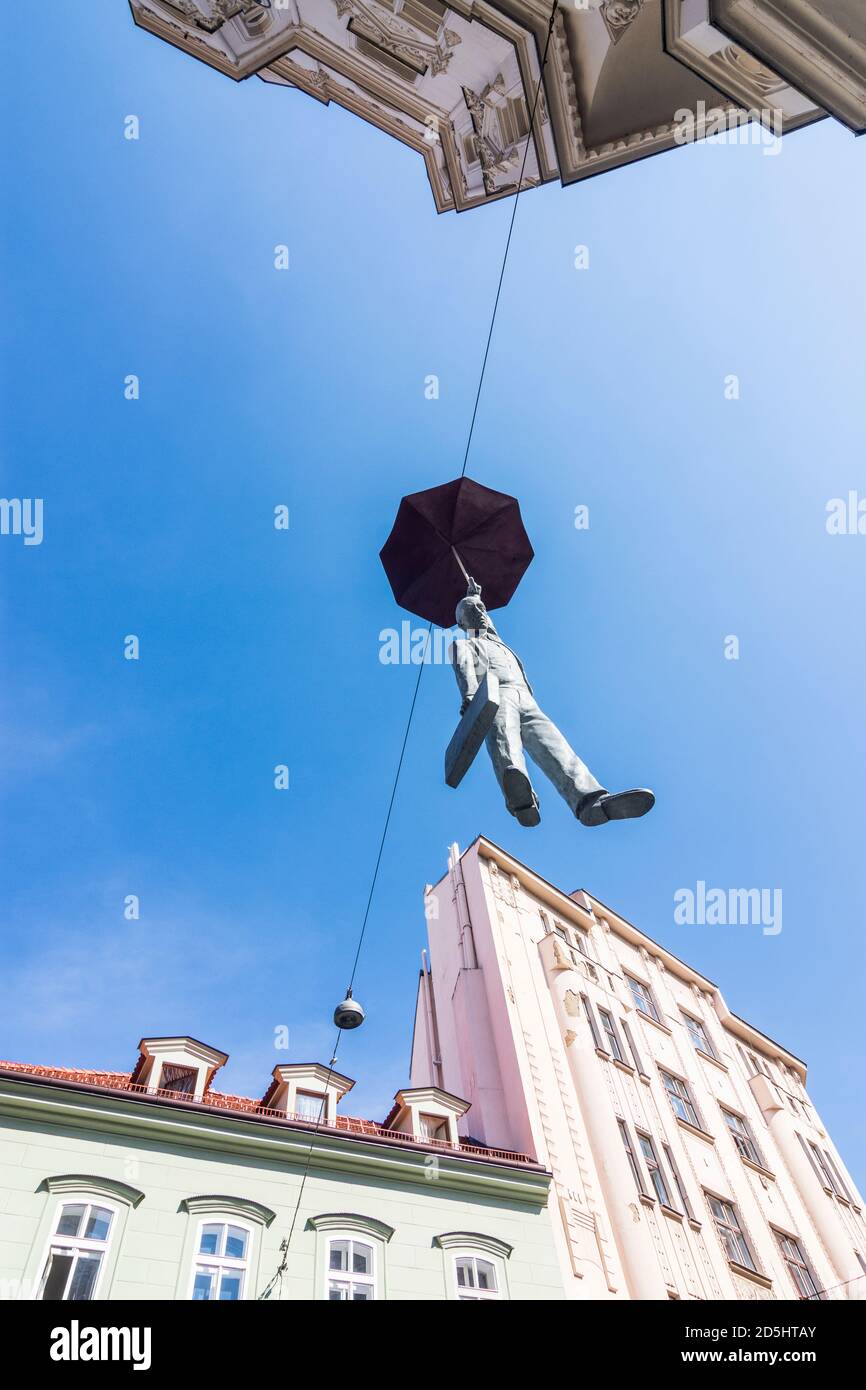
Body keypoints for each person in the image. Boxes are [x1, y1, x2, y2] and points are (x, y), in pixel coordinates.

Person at [448, 582, 655, 828]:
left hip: (527, 700)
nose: (481, 613)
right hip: (497, 694)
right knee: (505, 741)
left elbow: (487, 624)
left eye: (482, 610)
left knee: (557, 748)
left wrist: (475, 597)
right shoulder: (465, 645)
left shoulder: (500, 644)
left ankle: (589, 800)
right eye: (474, 611)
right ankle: (520, 798)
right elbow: (463, 670)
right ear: (462, 623)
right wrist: (470, 697)